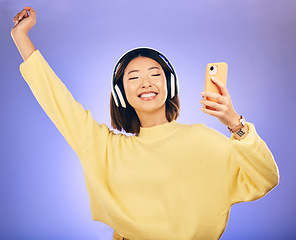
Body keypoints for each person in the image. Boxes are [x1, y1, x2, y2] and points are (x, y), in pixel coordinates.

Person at [11, 7, 279, 240]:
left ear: (169, 85)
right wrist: (20, 37)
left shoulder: (202, 139)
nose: (146, 83)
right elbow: (57, 101)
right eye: (133, 77)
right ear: (120, 95)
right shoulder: (103, 148)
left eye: (155, 74)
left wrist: (234, 122)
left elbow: (265, 179)